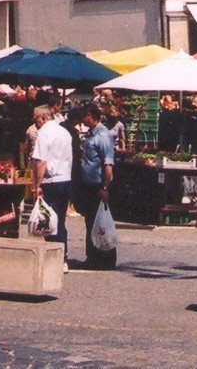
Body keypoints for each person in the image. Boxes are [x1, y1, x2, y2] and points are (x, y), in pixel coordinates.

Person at [72, 103, 117, 269]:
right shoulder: (91, 134)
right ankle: (92, 256)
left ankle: (105, 259)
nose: (83, 121)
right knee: (91, 222)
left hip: (98, 185)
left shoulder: (103, 135)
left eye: (84, 117)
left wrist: (105, 187)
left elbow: (108, 164)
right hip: (88, 185)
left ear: (89, 116)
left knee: (101, 223)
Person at [31, 105, 74, 250]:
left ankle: (53, 254)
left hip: (51, 181)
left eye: (35, 118)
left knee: (48, 220)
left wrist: (37, 185)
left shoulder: (43, 133)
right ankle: (63, 255)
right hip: (65, 178)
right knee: (60, 220)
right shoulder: (65, 132)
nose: (34, 122)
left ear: (43, 118)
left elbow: (41, 161)